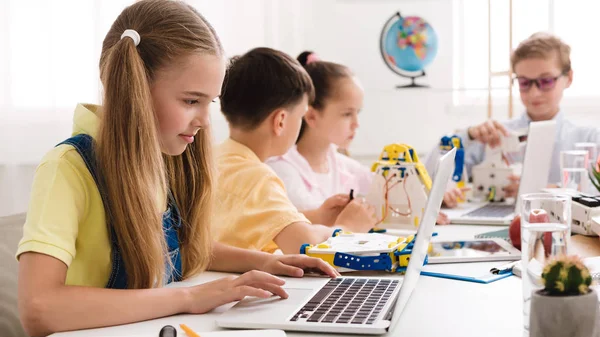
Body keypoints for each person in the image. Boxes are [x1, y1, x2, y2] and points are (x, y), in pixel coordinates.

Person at [16, 2, 336, 336]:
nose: (203, 121)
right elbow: (39, 308)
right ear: (133, 89)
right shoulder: (67, 169)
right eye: (190, 101)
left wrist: (265, 262)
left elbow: (178, 248)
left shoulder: (161, 156)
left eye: (208, 103)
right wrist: (189, 297)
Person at [213, 47, 376, 255]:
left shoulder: (216, 160)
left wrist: (317, 216)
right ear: (280, 121)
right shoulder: (257, 178)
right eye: (300, 116)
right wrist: (347, 228)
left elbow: (263, 219)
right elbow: (304, 246)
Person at [432, 32, 600, 208]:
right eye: (524, 83)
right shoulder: (495, 135)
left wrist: (547, 191)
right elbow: (431, 173)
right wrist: (468, 135)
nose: (535, 93)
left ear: (569, 78)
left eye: (546, 81)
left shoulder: (589, 139)